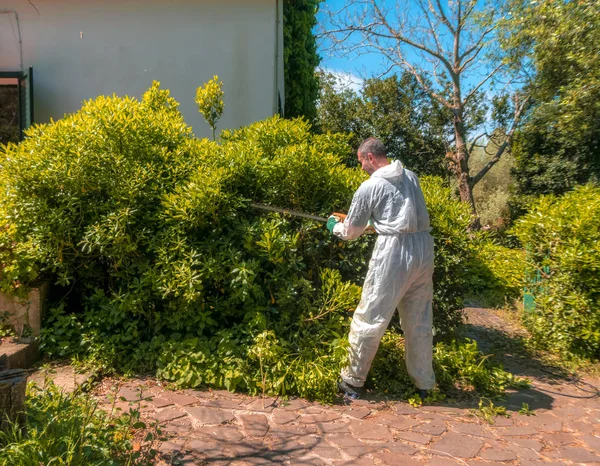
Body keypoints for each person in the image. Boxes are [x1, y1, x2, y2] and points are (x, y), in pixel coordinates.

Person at [327, 137, 435, 400]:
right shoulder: (411, 177)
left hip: (394, 255)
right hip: (423, 249)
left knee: (371, 316)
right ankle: (424, 386)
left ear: (370, 158)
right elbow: (402, 217)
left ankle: (352, 383)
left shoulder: (369, 187)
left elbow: (351, 231)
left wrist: (334, 226)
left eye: (361, 162)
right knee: (419, 321)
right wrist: (377, 225)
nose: (362, 167)